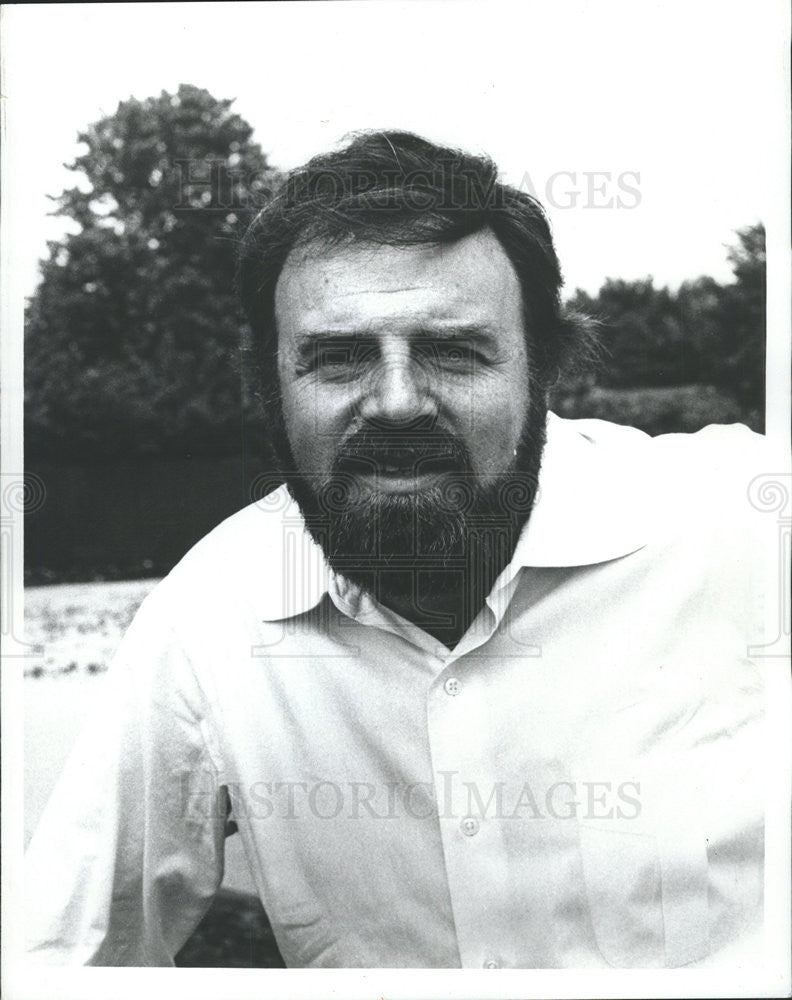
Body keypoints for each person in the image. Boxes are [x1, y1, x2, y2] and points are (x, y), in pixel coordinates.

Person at [25, 131, 775, 968]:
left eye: (453, 350)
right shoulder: (209, 619)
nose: (394, 403)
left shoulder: (739, 522)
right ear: (269, 388)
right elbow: (58, 957)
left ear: (546, 368)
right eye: (338, 358)